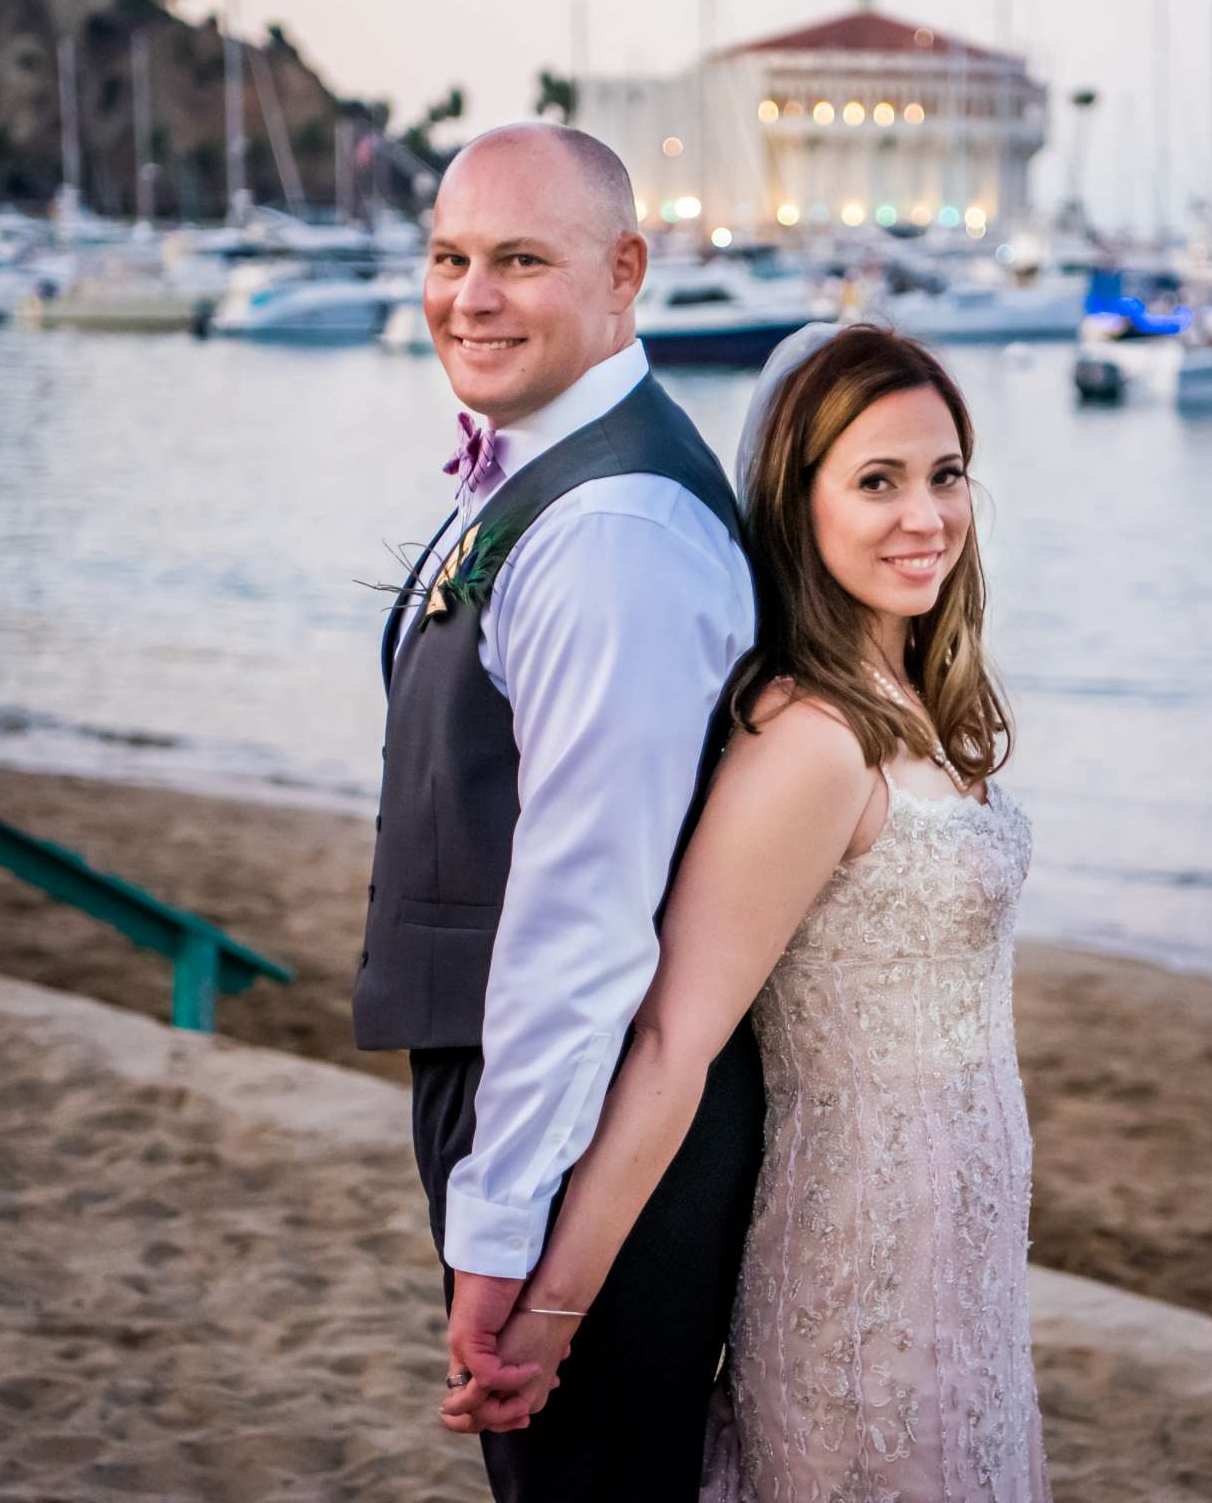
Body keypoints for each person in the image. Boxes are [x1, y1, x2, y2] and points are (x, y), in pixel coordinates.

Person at [447, 324, 1051, 1501]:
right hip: (860, 1254)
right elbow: (677, 1038)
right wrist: (550, 1311)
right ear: (797, 500)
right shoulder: (811, 742)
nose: (923, 516)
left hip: (962, 1241)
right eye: (876, 482)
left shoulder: (908, 701)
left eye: (944, 474)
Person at [353, 122, 763, 1502]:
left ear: (625, 272)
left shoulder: (616, 537)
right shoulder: (552, 473)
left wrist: (503, 1222)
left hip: (580, 1120)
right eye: (450, 256)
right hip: (531, 1086)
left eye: (520, 260)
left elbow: (585, 923)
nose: (470, 296)